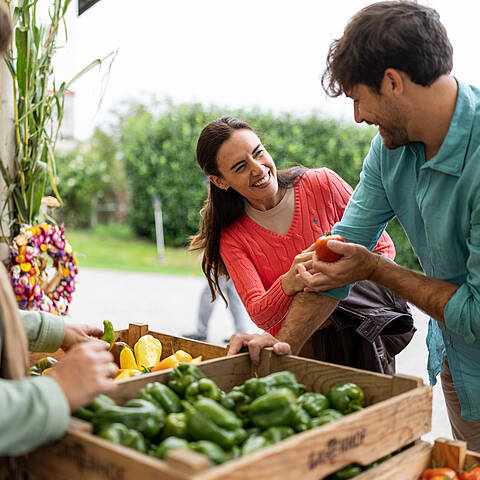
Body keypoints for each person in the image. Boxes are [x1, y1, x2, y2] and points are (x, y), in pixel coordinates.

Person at [230, 1, 480, 450]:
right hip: (460, 367)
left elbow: (477, 313)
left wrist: (376, 269)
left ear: (392, 82)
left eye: (358, 98)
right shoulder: (389, 152)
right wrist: (280, 349)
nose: (358, 116)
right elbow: (339, 256)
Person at [190, 115, 414, 374]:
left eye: (258, 152)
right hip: (300, 352)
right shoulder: (232, 237)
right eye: (240, 167)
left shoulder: (322, 184)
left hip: (360, 337)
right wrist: (289, 282)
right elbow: (259, 313)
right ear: (220, 181)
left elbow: (383, 249)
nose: (259, 169)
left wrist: (326, 292)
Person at [183, 276, 248, 342]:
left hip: (224, 267)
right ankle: (241, 334)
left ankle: (201, 332)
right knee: (234, 296)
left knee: (209, 293)